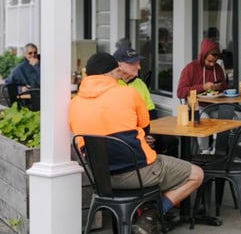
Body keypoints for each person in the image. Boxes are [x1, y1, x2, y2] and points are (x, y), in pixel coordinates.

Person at [68, 52, 204, 234]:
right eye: (117, 72)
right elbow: (146, 128)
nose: (119, 77)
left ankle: (143, 209)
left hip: (100, 179)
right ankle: (151, 214)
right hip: (138, 174)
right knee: (196, 174)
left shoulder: (74, 103)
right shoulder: (128, 93)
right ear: (108, 73)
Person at [114, 46, 177, 155]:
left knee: (171, 141)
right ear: (120, 65)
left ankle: (164, 170)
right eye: (133, 63)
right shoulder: (112, 84)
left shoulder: (140, 84)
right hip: (124, 133)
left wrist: (151, 135)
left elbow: (151, 113)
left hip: (144, 129)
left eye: (138, 63)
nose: (139, 67)